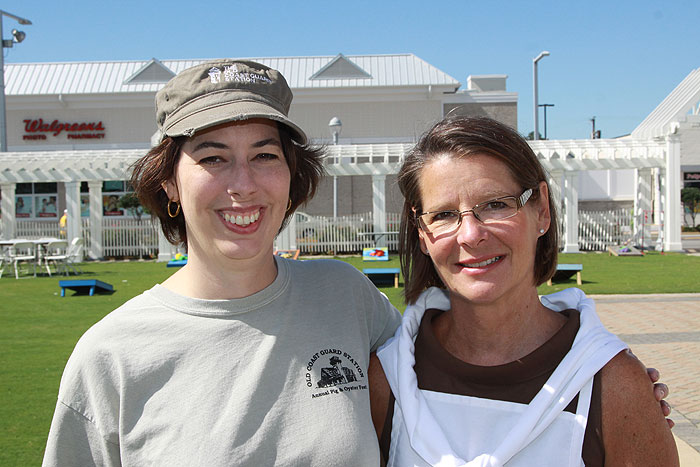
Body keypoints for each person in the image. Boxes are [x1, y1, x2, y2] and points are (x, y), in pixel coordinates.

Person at [43, 60, 401, 466]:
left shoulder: (346, 296)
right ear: (170, 183)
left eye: (265, 155)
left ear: (290, 176)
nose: (243, 184)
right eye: (213, 158)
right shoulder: (110, 355)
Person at [368, 116, 678, 466]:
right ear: (422, 233)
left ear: (541, 210)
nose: (470, 235)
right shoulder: (386, 379)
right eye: (443, 214)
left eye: (496, 204)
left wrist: (631, 394)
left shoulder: (612, 387)